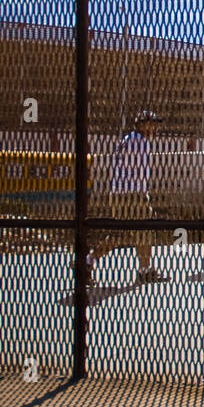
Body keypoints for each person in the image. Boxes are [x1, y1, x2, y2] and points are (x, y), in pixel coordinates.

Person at [88, 110, 169, 286]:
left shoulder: (127, 139)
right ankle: (145, 271)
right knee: (144, 230)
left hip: (118, 193)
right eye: (151, 124)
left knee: (121, 235)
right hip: (133, 194)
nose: (155, 128)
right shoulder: (140, 142)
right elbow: (138, 172)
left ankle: (88, 261)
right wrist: (144, 194)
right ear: (141, 124)